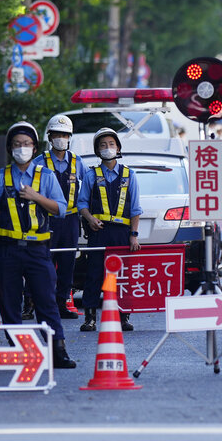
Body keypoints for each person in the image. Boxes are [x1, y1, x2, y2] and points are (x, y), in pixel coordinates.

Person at [0, 121, 76, 369]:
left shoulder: (45, 176)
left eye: (26, 144)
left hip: (38, 250)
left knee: (46, 302)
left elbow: (61, 209)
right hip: (7, 250)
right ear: (10, 149)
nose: (21, 148)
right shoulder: (0, 177)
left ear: (34, 148)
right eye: (16, 144)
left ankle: (58, 351)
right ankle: (19, 351)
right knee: (10, 305)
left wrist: (35, 196)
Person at [77, 128, 142, 332]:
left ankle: (124, 316)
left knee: (123, 275)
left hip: (122, 234)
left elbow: (136, 209)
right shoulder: (91, 175)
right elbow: (82, 204)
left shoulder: (129, 174)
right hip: (99, 232)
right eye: (103, 145)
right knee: (94, 274)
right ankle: (90, 318)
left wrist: (134, 235)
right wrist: (90, 219)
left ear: (118, 148)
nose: (108, 148)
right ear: (97, 150)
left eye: (111, 144)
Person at [26, 114, 83, 321]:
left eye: (65, 135)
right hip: (45, 220)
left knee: (67, 264)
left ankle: (61, 304)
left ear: (70, 137)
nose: (61, 138)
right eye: (57, 134)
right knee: (40, 262)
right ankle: (30, 303)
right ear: (49, 137)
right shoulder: (39, 162)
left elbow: (84, 194)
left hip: (70, 221)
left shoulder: (78, 163)